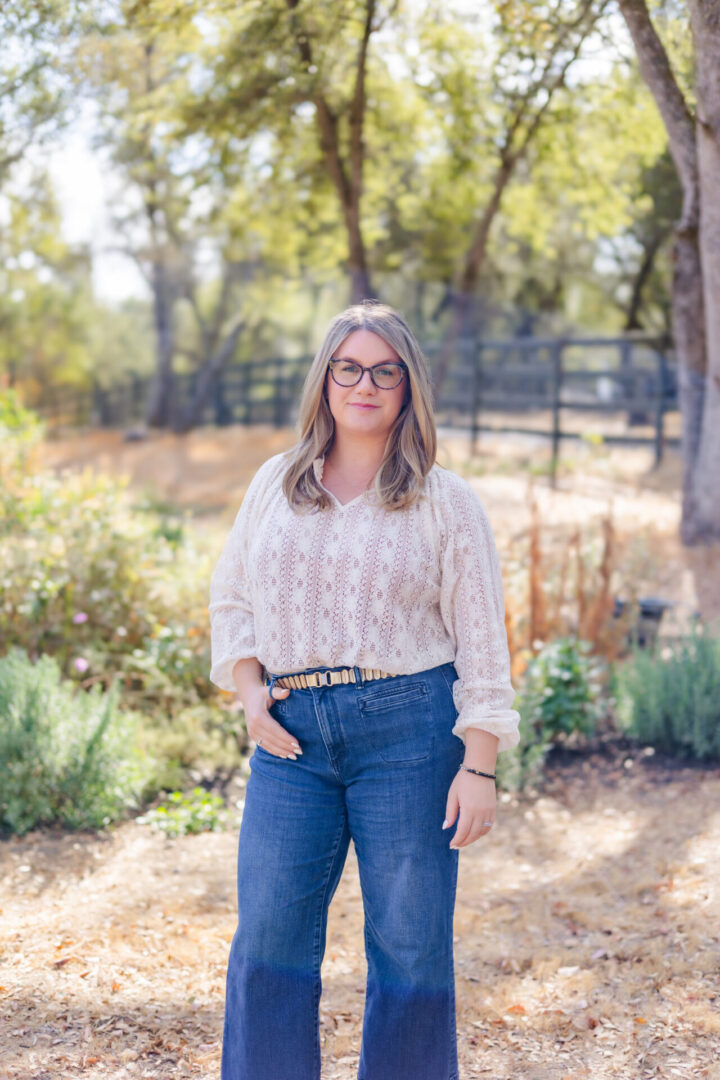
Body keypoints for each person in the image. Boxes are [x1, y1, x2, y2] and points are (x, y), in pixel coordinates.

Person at [208, 300, 520, 1080]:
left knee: (410, 947)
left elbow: (483, 642)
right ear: (326, 379)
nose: (366, 385)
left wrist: (478, 766)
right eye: (350, 368)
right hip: (291, 739)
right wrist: (250, 694)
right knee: (269, 941)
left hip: (409, 734)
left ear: (409, 386)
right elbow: (232, 600)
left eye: (386, 371)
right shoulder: (274, 485)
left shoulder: (446, 501)